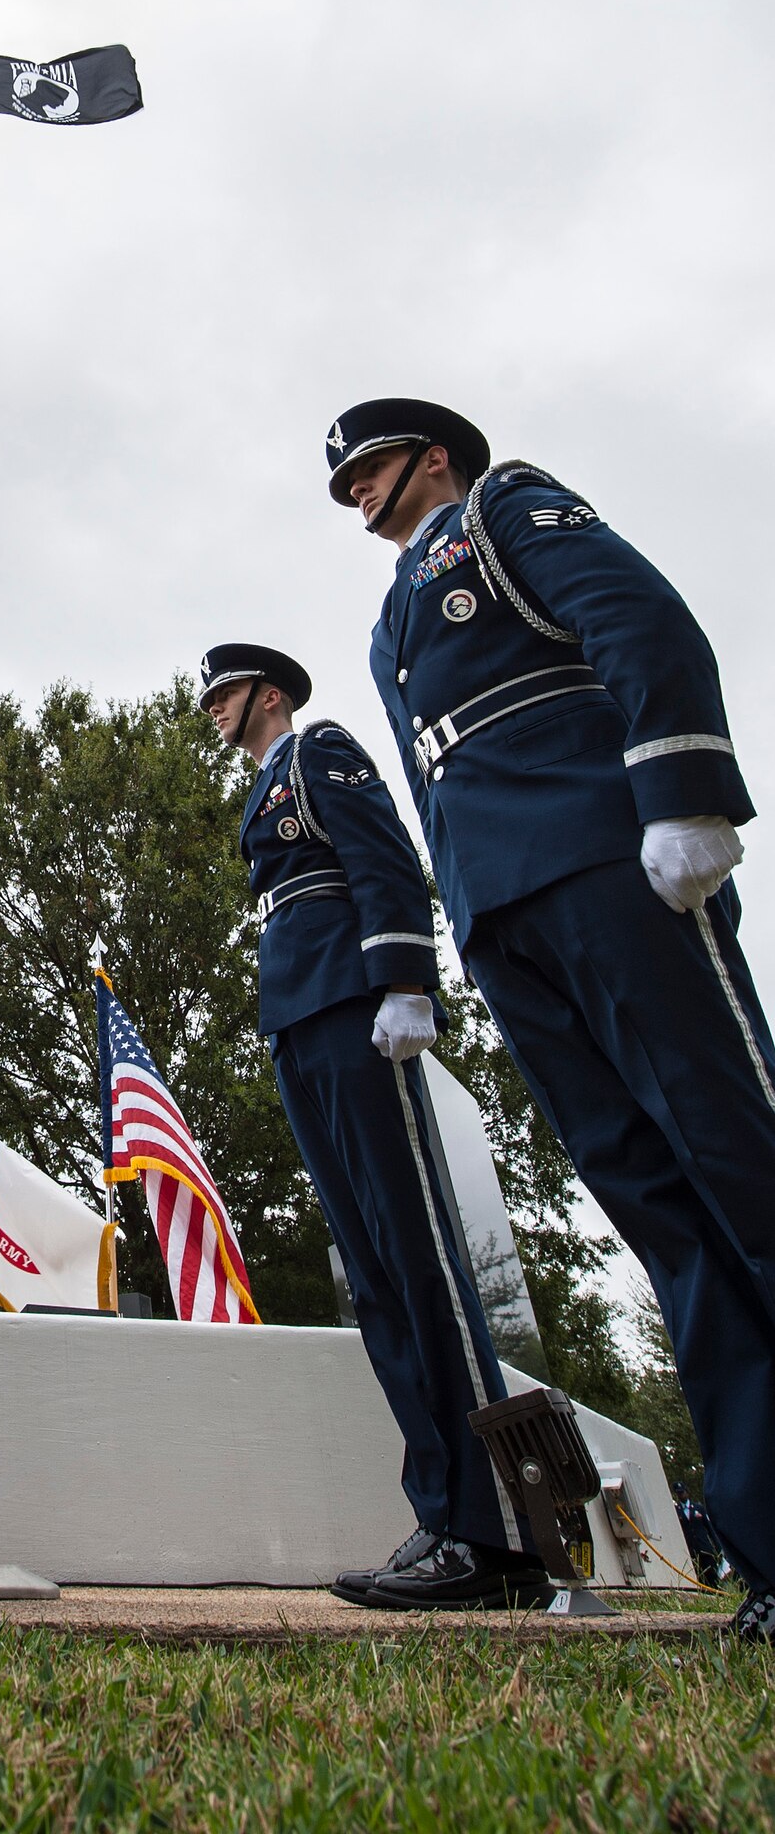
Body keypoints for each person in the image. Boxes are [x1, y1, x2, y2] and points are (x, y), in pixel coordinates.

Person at [329, 395, 775, 1644]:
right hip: (506, 913)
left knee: (741, 1168)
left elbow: (636, 614)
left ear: (432, 456)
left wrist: (683, 786)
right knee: (663, 1218)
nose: (355, 493)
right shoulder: (390, 619)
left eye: (370, 467)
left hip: (605, 864)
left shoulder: (502, 508)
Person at [198, 645, 544, 1610]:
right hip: (299, 1016)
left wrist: (402, 981)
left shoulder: (319, 751)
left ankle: (499, 1529)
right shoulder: (264, 787)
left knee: (418, 1258)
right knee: (377, 1282)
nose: (211, 711)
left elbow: (383, 855)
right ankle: (444, 1516)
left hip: (356, 1007)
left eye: (222, 695)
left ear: (267, 694)